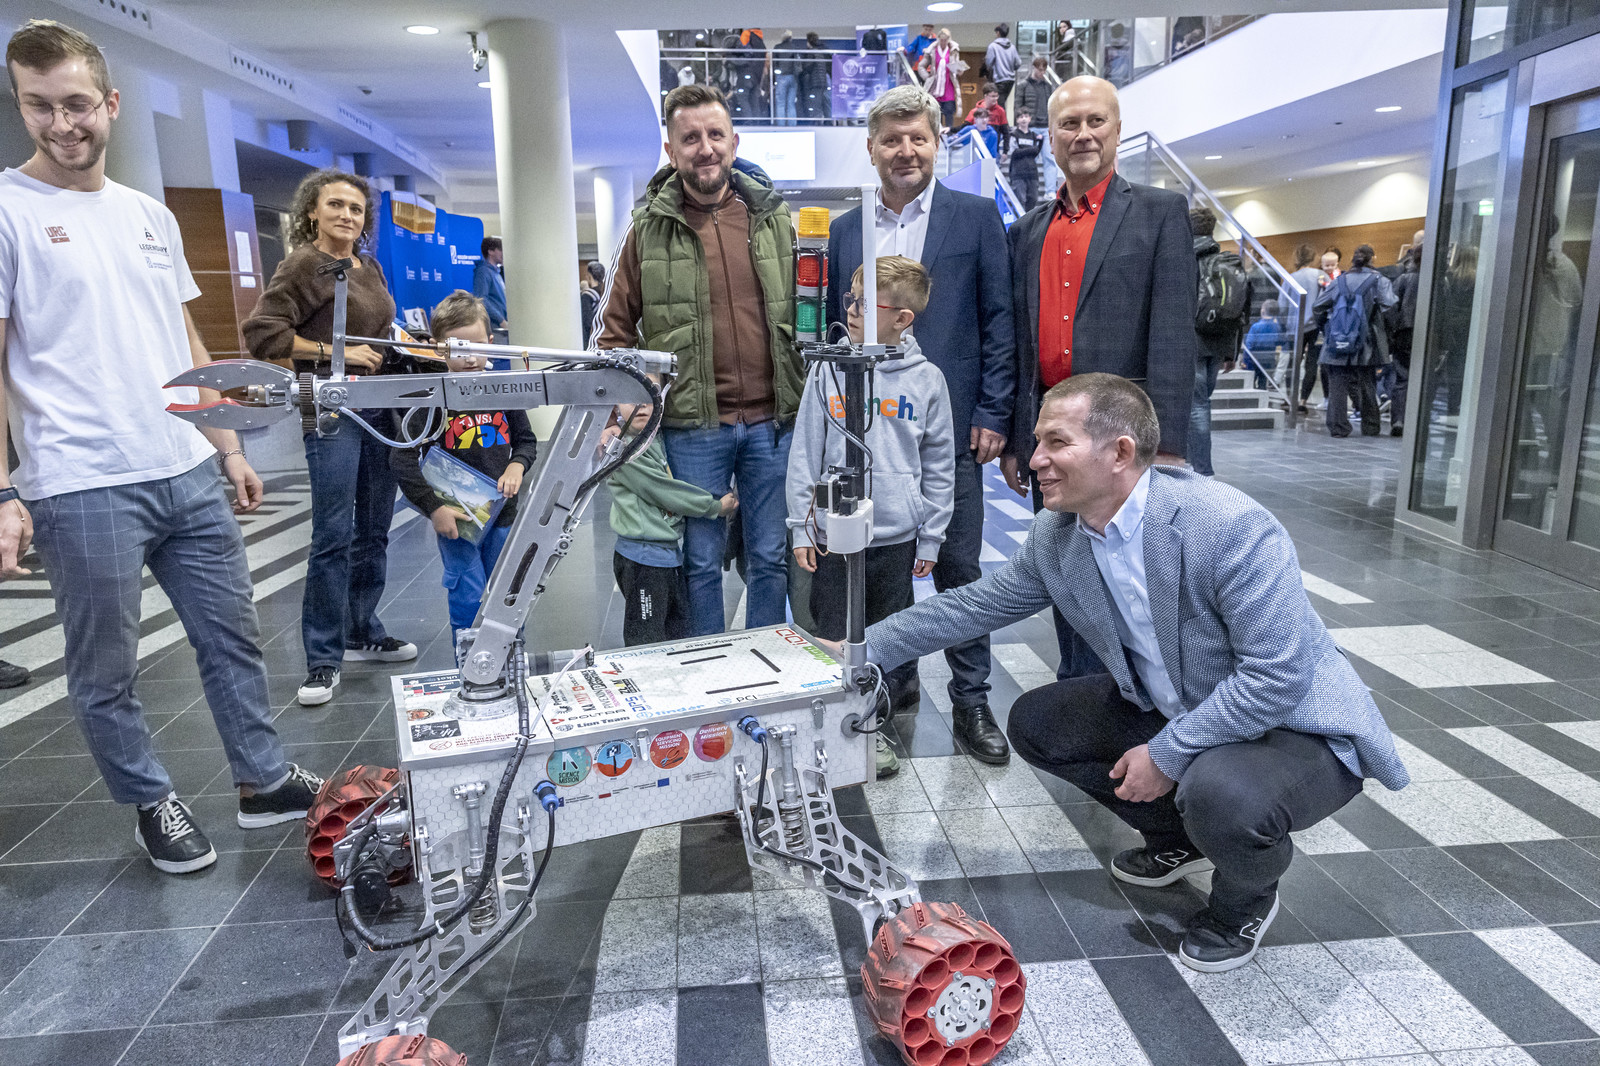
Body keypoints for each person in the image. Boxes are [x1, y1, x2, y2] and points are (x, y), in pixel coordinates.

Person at [861, 373, 1410, 972]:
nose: (1036, 459)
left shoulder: (1222, 524)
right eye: (1038, 441)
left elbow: (1277, 677)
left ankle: (1245, 899)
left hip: (1296, 724)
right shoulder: (1060, 533)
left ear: (1120, 452)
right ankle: (1180, 841)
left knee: (1221, 796)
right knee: (1040, 722)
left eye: (1056, 442)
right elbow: (974, 607)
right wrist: (860, 650)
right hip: (1184, 702)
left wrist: (1168, 754)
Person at [0, 19, 323, 875]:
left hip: (183, 467)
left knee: (233, 636)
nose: (61, 124)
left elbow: (183, 340)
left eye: (76, 104)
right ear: (20, 106)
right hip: (79, 481)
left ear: (110, 103)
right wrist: (3, 492)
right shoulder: (7, 211)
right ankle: (151, 800)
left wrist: (227, 447)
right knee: (106, 668)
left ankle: (261, 781)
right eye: (39, 106)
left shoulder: (148, 215)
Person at [826, 85, 1016, 765]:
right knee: (882, 572)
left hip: (952, 431)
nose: (905, 150)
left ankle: (972, 701)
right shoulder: (847, 229)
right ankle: (892, 685)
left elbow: (999, 321)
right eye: (891, 139)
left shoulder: (976, 218)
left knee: (959, 570)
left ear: (937, 143)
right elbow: (839, 328)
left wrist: (994, 411)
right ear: (871, 148)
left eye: (918, 138)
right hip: (867, 439)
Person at [1004, 75, 1196, 681]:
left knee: (1138, 580)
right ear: (1050, 137)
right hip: (1055, 440)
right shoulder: (1026, 231)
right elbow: (1019, 343)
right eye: (1069, 124)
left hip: (1125, 443)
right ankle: (1080, 691)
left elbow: (1173, 332)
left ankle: (1149, 697)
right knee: (1067, 571)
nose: (1083, 134)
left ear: (1116, 130)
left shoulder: (1160, 214)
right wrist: (1018, 441)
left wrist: (1166, 447)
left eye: (1096, 122)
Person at [595, 84, 800, 637]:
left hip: (773, 423)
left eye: (715, 135)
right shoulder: (646, 229)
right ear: (671, 150)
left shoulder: (773, 218)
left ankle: (765, 661)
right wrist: (624, 403)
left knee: (770, 557)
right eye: (690, 139)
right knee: (701, 562)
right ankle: (708, 666)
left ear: (734, 142)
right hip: (692, 426)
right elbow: (611, 331)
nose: (705, 148)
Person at [243, 168, 417, 706]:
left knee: (374, 529)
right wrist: (333, 354)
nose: (346, 215)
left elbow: (375, 333)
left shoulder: (368, 267)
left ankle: (361, 630)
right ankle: (323, 657)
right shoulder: (304, 264)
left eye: (356, 209)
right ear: (312, 212)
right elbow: (262, 333)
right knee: (334, 535)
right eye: (336, 205)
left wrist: (406, 345)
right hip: (332, 411)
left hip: (379, 408)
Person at [791, 257, 953, 777]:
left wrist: (931, 536)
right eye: (851, 300)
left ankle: (873, 724)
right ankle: (830, 726)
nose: (853, 310)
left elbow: (939, 464)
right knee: (832, 631)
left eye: (866, 303)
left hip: (895, 536)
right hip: (835, 535)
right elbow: (805, 450)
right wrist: (800, 525)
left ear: (902, 319)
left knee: (888, 634)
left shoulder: (927, 380)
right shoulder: (829, 370)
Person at [389, 292, 537, 645]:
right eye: (458, 349)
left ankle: (511, 660)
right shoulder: (432, 398)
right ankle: (469, 664)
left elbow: (526, 441)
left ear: (491, 343)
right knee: (466, 595)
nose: (469, 358)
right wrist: (434, 509)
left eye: (476, 347)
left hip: (503, 515)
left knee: (508, 595)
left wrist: (516, 467)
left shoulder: (502, 390)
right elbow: (401, 458)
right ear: (439, 349)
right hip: (457, 520)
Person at [607, 414, 737, 647]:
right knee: (645, 639)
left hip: (667, 556)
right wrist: (713, 507)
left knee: (676, 632)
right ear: (616, 405)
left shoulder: (657, 438)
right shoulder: (624, 449)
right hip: (642, 560)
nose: (641, 405)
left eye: (650, 398)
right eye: (632, 399)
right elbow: (663, 490)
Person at [1188, 206, 1248, 478]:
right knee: (1202, 402)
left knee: (1197, 406)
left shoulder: (1187, 261)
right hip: (1219, 342)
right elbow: (1241, 312)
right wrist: (1232, 352)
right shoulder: (1228, 262)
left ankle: (1202, 470)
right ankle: (1196, 465)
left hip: (1193, 343)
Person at [1314, 243, 1397, 438]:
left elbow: (1318, 307)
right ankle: (1370, 426)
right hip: (1368, 341)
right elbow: (1390, 307)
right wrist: (1386, 333)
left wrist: (1329, 330)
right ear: (1373, 259)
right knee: (1367, 382)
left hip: (1337, 339)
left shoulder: (1339, 281)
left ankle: (1338, 427)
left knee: (1337, 382)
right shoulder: (1379, 280)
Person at [1385, 244, 1422, 437]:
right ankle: (1419, 420)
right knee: (1424, 378)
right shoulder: (1440, 281)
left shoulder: (1403, 279)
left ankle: (1398, 419)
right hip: (1428, 334)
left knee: (1402, 377)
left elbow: (1390, 307)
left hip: (1404, 332)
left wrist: (1393, 331)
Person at [1288, 243, 1327, 413]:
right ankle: (1303, 400)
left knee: (1293, 363)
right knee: (1312, 364)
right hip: (1316, 326)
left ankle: (1290, 398)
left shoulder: (1291, 277)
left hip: (1295, 326)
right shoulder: (1322, 276)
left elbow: (1283, 303)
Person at [920, 28, 963, 130]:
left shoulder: (953, 50)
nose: (943, 42)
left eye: (945, 40)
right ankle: (937, 134)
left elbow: (958, 68)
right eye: (941, 40)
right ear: (938, 39)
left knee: (949, 111)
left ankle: (948, 133)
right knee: (936, 112)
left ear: (949, 39)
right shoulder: (932, 50)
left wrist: (960, 70)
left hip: (949, 84)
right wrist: (927, 77)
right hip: (935, 86)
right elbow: (921, 66)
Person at [1243, 300, 1290, 390]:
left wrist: (1245, 359)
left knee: (1250, 383)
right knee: (1263, 382)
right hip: (1268, 360)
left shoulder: (1255, 327)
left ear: (1263, 311)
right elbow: (1281, 341)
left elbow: (1249, 344)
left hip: (1254, 360)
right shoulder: (1277, 327)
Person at [1007, 110, 1044, 212]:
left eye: (1026, 116)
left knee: (1033, 198)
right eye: (1021, 117)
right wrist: (1030, 150)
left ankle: (1028, 219)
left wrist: (1040, 143)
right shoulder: (1014, 135)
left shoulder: (1034, 135)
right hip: (1018, 174)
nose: (1023, 119)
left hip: (1032, 173)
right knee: (1020, 200)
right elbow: (1015, 152)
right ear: (1017, 120)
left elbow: (1036, 151)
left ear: (1029, 119)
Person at [474, 236, 509, 343]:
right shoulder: (483, 272)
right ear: (490, 251)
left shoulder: (496, 272)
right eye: (501, 250)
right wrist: (501, 320)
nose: (504, 253)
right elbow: (481, 299)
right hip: (495, 329)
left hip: (502, 329)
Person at [985, 24, 1019, 119]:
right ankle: (1002, 123)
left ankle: (1002, 124)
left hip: (999, 79)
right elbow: (1018, 63)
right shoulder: (1012, 47)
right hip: (1010, 80)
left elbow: (989, 63)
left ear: (998, 33)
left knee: (999, 104)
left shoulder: (993, 46)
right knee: (1002, 102)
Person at [1013, 56, 1052, 130]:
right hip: (1030, 125)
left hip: (1046, 125)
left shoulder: (1047, 86)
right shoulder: (1023, 85)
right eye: (1040, 70)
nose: (1042, 73)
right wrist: (1018, 125)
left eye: (1044, 70)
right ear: (1034, 68)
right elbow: (1018, 107)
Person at [799, 32, 831, 120]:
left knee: (815, 103)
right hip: (824, 80)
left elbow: (807, 66)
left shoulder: (811, 52)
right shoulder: (822, 50)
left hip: (815, 81)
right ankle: (828, 121)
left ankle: (816, 121)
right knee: (825, 102)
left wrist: (802, 68)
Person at [771, 30, 799, 126]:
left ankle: (781, 125)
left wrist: (774, 80)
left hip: (781, 77)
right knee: (791, 103)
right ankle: (792, 124)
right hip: (793, 77)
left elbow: (774, 64)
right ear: (791, 38)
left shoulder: (777, 48)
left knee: (780, 103)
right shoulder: (795, 48)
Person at [579, 260, 604, 348]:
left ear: (589, 276)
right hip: (605, 335)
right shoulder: (607, 292)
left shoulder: (587, 295)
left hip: (592, 339)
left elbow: (587, 322)